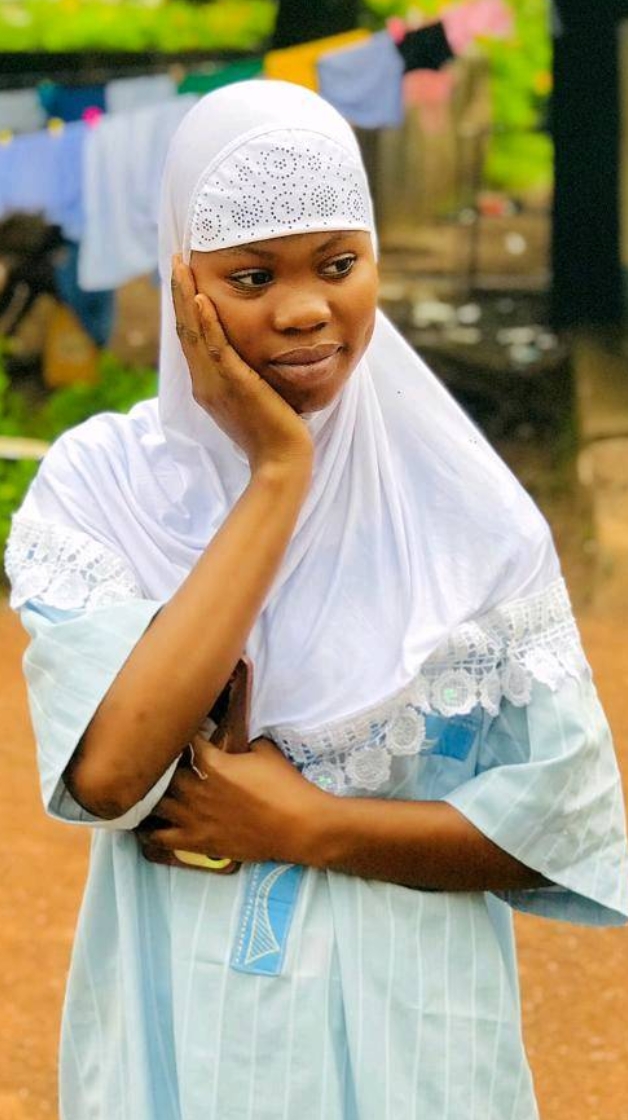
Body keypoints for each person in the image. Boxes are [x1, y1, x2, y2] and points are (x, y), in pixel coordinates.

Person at [5, 80, 627, 1120]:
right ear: (180, 281)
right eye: (252, 275)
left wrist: (312, 825)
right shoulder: (104, 488)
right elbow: (111, 774)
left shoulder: (467, 517)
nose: (303, 307)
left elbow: (562, 820)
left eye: (338, 264)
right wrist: (278, 475)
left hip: (413, 1044)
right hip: (181, 1032)